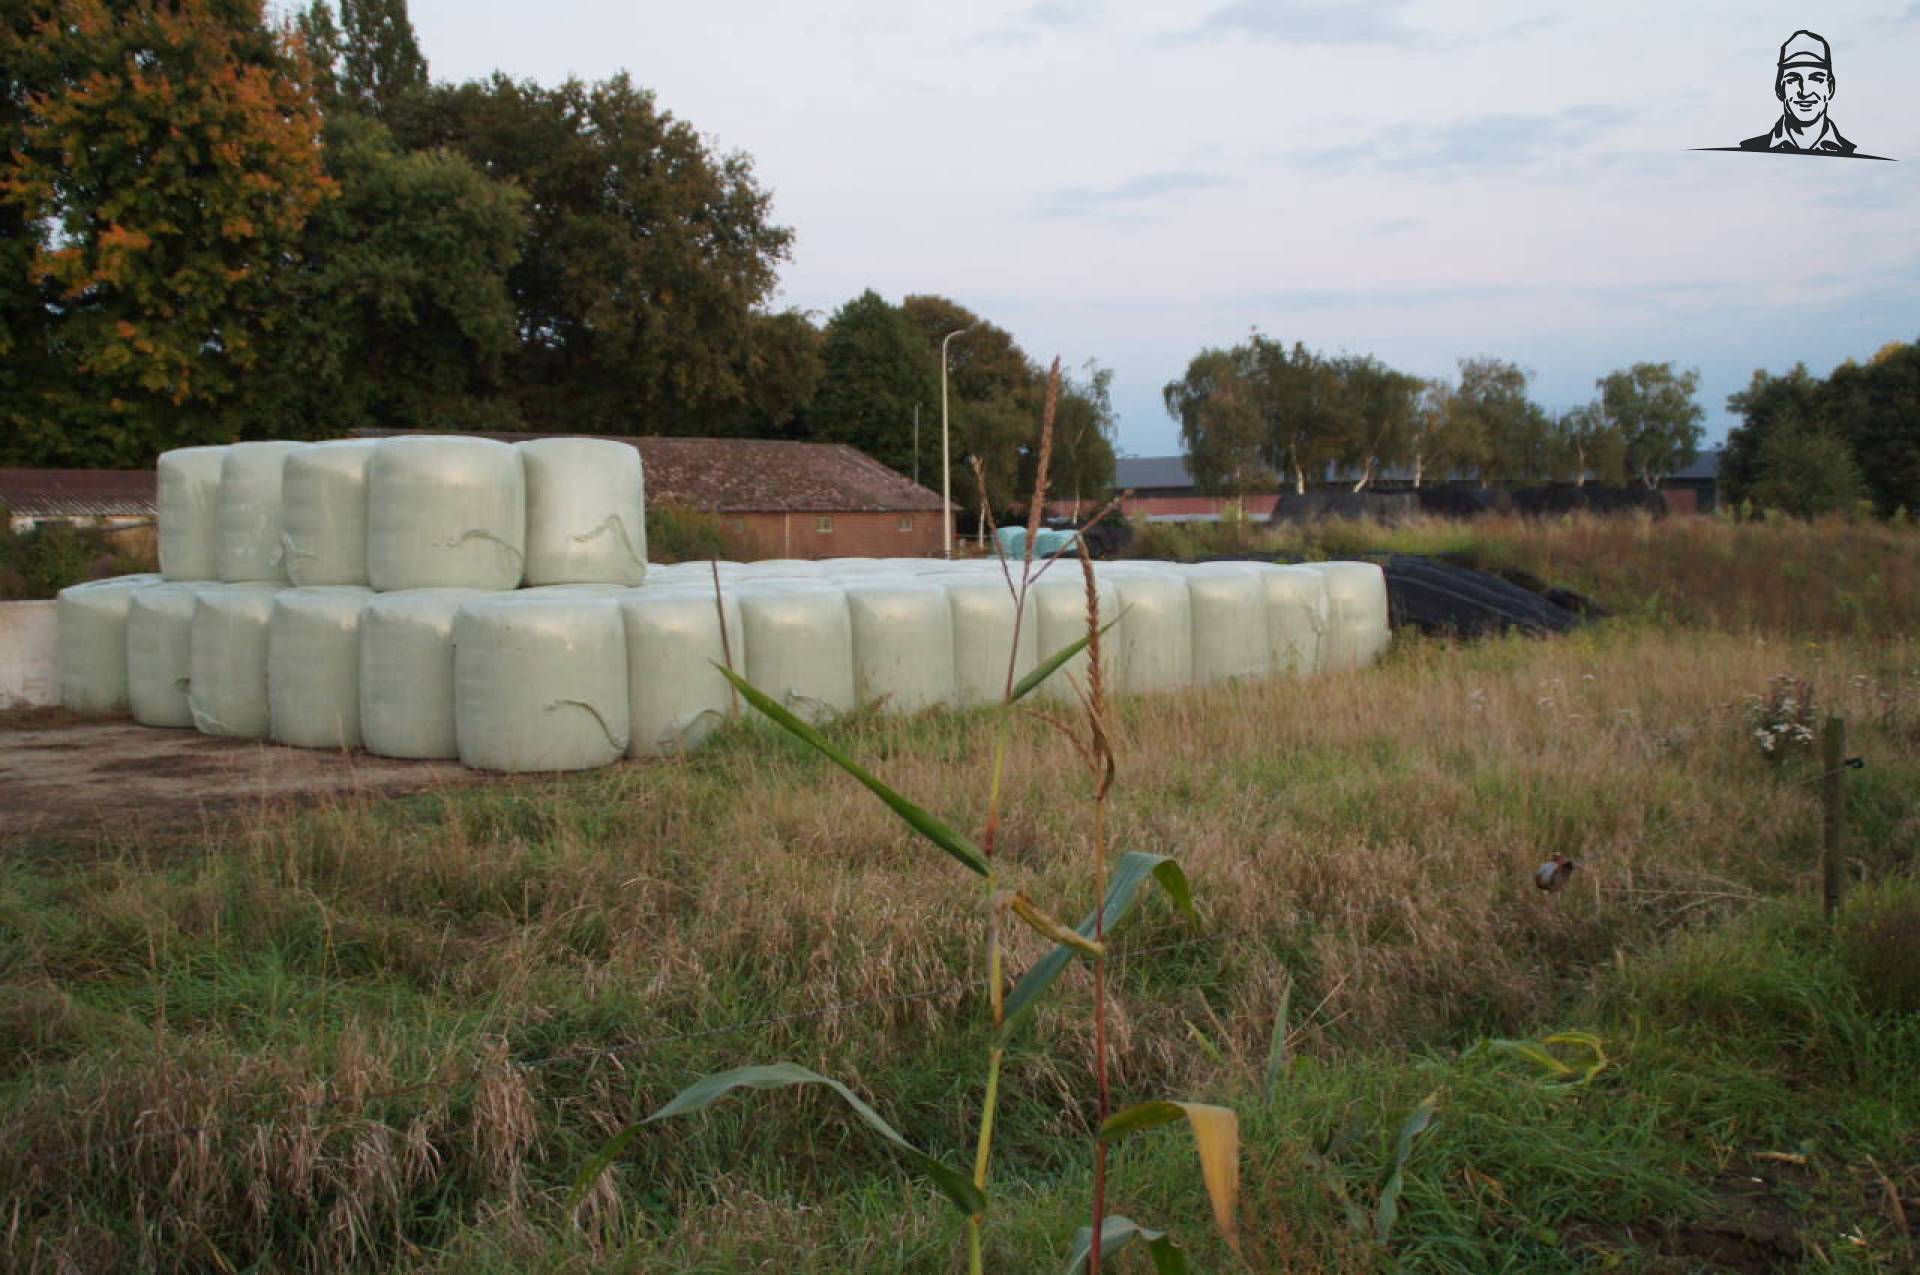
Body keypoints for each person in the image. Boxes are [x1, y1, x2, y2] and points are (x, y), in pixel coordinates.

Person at [1739, 30, 1855, 155]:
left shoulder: (1852, 154)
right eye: (1793, 79)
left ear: (1830, 88)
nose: (1804, 92)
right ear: (1779, 89)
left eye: (1816, 79)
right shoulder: (1748, 151)